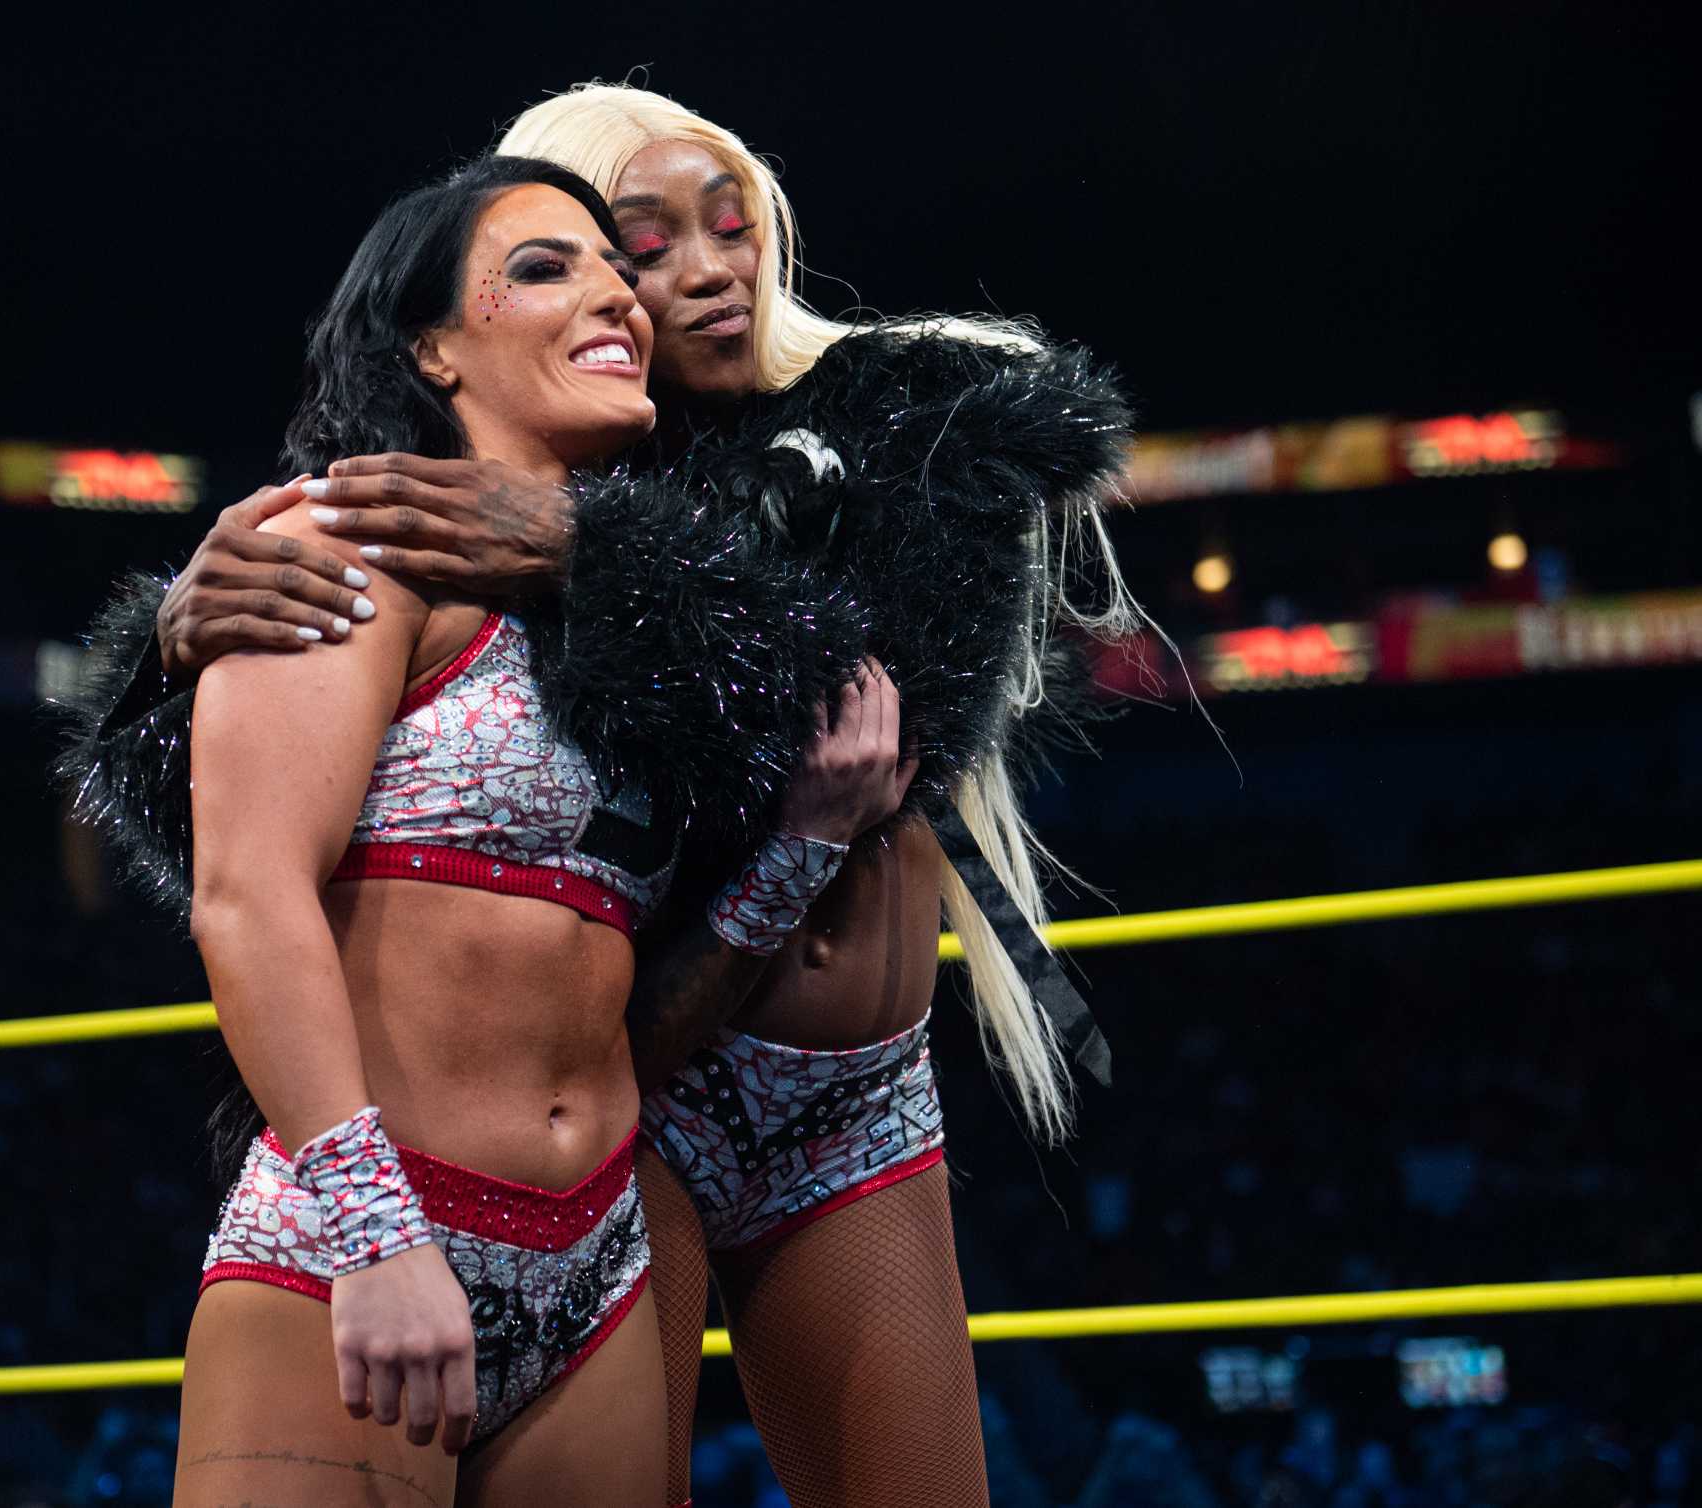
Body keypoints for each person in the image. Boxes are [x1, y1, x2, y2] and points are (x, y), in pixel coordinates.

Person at [124, 84, 1145, 1508]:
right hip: (627, 1094)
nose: (701, 272)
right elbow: (260, 834)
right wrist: (166, 649)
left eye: (732, 228)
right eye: (636, 246)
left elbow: (877, 703)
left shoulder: (894, 413)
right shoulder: (476, 504)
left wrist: (590, 549)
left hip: (818, 1101)